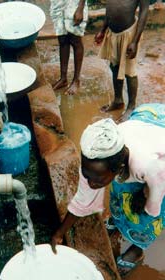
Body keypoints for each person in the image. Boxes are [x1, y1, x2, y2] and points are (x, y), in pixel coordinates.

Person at [51, 103, 165, 277]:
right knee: (119, 194)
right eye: (87, 176)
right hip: (141, 126)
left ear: (118, 167)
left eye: (97, 179)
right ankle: (118, 221)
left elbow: (154, 205)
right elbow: (82, 200)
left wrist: (145, 195)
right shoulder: (96, 158)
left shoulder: (151, 167)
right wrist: (59, 233)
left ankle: (137, 249)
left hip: (159, 141)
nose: (91, 183)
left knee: (144, 215)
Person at [94, 0, 149, 122]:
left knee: (129, 70)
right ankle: (118, 100)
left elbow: (144, 12)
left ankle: (131, 106)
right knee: (114, 66)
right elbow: (110, 8)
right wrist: (103, 30)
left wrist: (135, 41)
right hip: (113, 32)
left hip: (130, 34)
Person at [50, 0, 88, 95]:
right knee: (62, 39)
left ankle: (76, 80)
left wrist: (80, 8)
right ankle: (63, 79)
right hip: (58, 4)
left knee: (75, 40)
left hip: (74, 4)